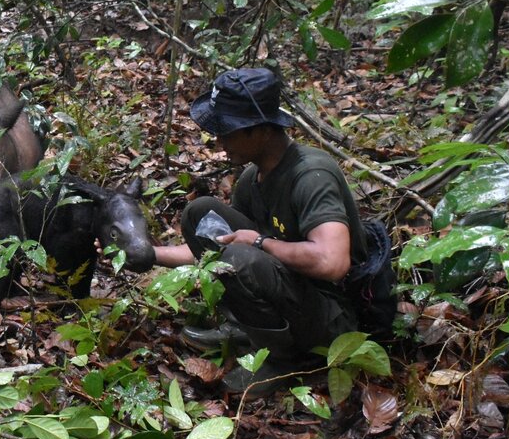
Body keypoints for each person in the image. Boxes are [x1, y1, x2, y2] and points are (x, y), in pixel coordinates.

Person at [155, 67, 367, 394]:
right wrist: (148, 253)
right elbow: (218, 245)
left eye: (227, 131)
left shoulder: (311, 175)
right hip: (290, 293)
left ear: (262, 131)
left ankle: (285, 361)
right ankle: (250, 330)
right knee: (200, 214)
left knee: (241, 257)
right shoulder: (252, 179)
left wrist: (259, 241)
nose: (220, 140)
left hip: (332, 318)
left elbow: (333, 262)